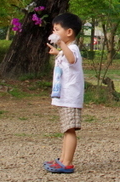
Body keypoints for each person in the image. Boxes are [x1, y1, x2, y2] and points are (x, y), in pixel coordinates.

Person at [43, 13, 84, 174]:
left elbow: (72, 59)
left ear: (69, 32)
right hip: (64, 97)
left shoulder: (73, 48)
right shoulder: (67, 49)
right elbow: (66, 58)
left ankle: (68, 162)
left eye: (57, 29)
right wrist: (58, 52)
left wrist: (61, 45)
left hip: (70, 97)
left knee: (70, 130)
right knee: (66, 130)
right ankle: (62, 159)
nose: (54, 32)